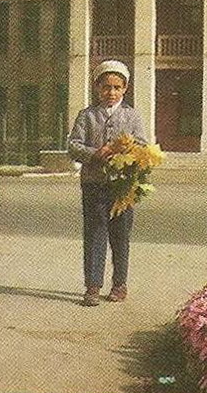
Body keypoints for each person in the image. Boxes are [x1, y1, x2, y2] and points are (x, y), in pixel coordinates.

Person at [68, 60, 146, 307]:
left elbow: (142, 146)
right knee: (95, 233)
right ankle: (92, 285)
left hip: (123, 186)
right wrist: (95, 153)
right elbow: (74, 146)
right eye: (106, 87)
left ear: (125, 89)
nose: (111, 93)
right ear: (97, 88)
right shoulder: (87, 115)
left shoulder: (132, 115)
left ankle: (119, 283)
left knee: (121, 235)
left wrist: (126, 152)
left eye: (116, 87)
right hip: (94, 183)